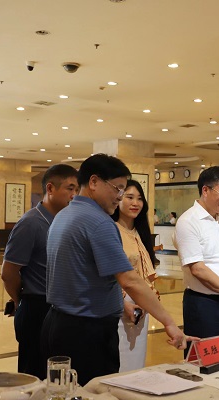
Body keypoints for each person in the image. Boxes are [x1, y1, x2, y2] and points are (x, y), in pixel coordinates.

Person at [41, 154, 186, 385]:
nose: (120, 196)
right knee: (95, 391)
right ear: (94, 182)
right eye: (117, 188)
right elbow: (129, 280)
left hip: (57, 323)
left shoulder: (63, 215)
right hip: (87, 331)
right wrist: (169, 322)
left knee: (64, 389)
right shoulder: (99, 222)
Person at [1, 164, 78, 379]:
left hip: (60, 308)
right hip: (36, 307)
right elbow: (8, 273)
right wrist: (20, 300)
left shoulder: (66, 221)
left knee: (57, 373)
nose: (74, 195)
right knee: (34, 374)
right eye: (69, 188)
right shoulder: (30, 223)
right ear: (50, 188)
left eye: (76, 189)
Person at [174, 166, 219, 352]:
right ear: (205, 190)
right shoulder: (188, 221)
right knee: (205, 359)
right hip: (203, 304)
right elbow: (198, 268)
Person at [112, 180, 160, 372]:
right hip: (120, 302)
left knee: (137, 358)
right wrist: (122, 303)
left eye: (139, 199)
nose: (135, 203)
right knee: (120, 357)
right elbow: (110, 274)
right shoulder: (112, 229)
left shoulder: (140, 232)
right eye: (129, 197)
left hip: (141, 303)